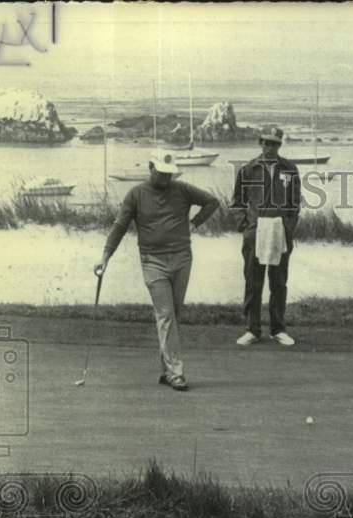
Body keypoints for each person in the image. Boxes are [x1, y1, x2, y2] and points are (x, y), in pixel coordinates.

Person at [95, 151, 220, 391]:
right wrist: (105, 256)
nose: (165, 178)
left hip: (183, 258)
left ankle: (165, 370)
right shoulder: (136, 194)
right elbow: (120, 226)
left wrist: (194, 224)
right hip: (153, 262)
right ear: (151, 167)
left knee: (174, 315)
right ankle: (176, 373)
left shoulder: (182, 189)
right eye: (161, 172)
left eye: (168, 174)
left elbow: (212, 202)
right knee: (166, 315)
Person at [231, 126, 302, 347]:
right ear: (260, 142)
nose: (269, 147)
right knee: (253, 281)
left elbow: (295, 203)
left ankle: (278, 329)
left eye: (274, 143)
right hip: (256, 229)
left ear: (280, 145)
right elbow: (237, 202)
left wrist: (288, 227)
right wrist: (246, 226)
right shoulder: (247, 169)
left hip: (279, 229)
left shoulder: (289, 169)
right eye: (266, 142)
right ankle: (252, 329)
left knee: (278, 281)